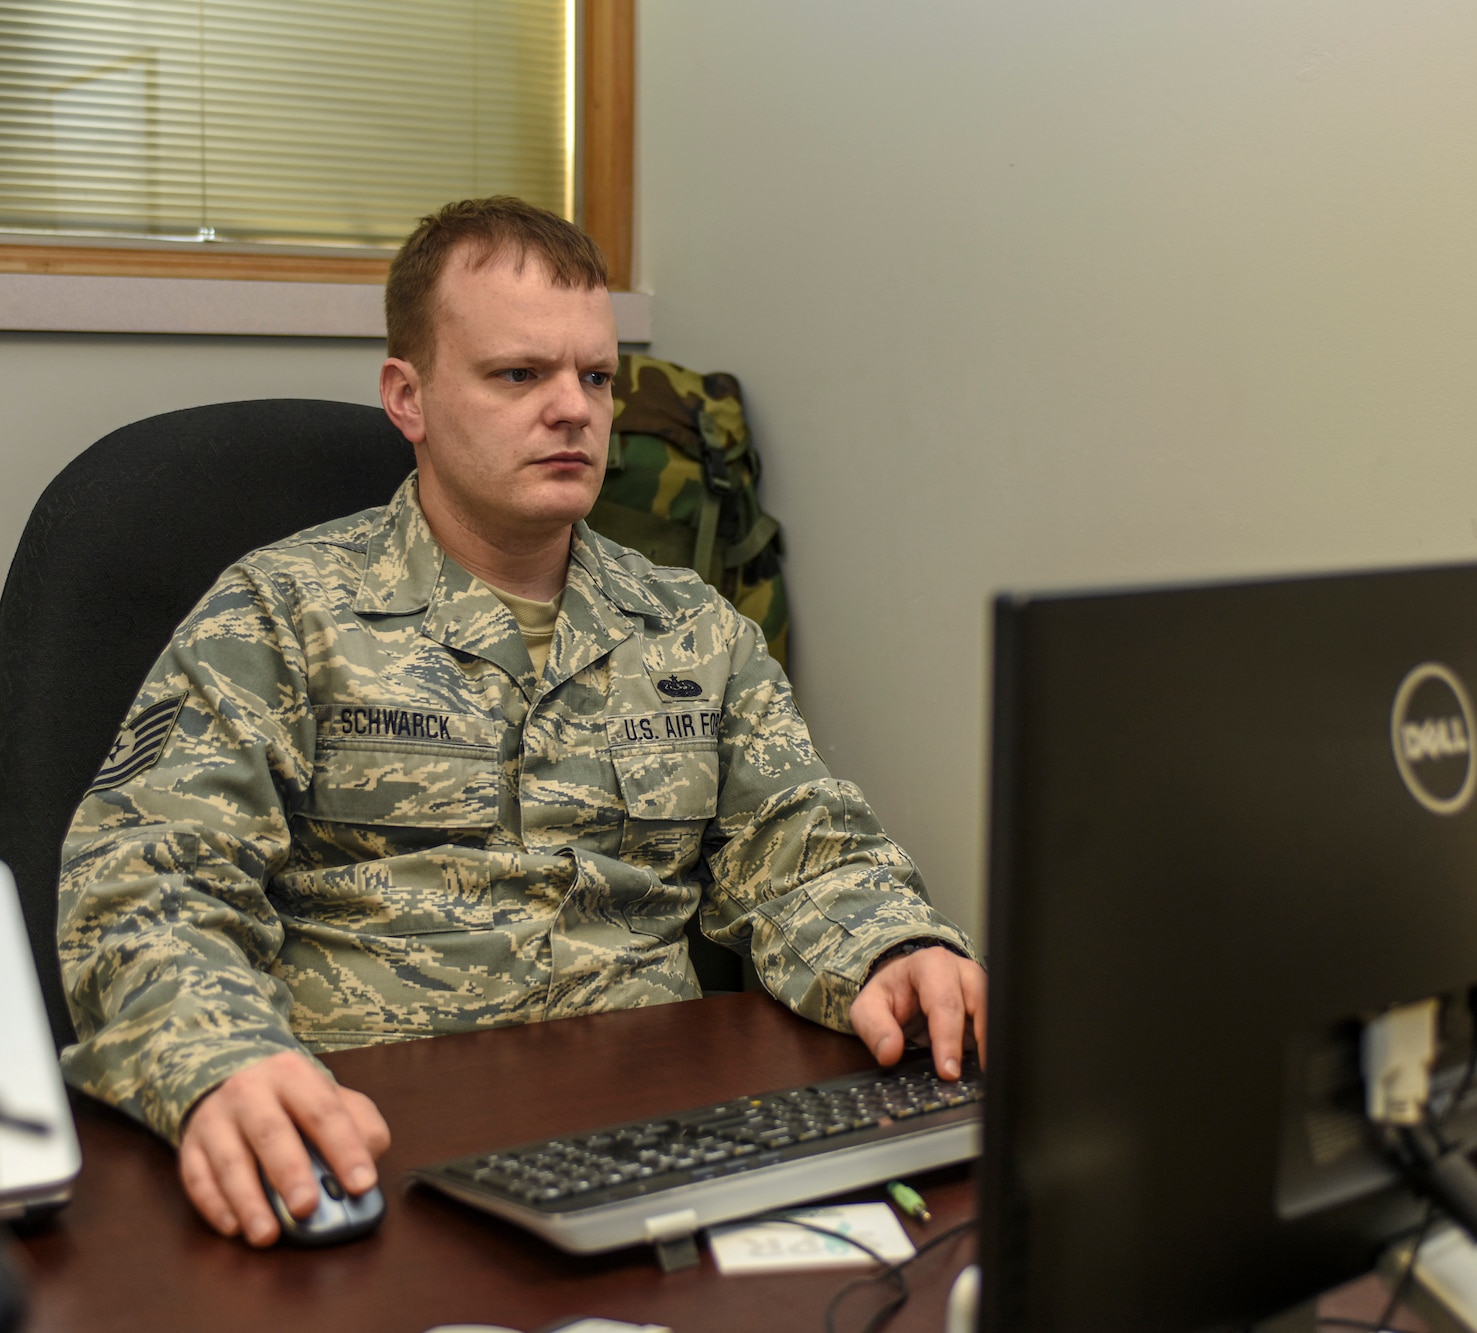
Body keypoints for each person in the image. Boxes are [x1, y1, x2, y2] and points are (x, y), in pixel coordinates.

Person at [56, 197, 985, 1249]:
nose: (574, 410)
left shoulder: (692, 630)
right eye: (519, 375)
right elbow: (146, 881)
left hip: (647, 1145)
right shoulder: (282, 614)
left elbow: (802, 850)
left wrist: (891, 946)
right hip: (365, 1145)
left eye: (595, 378)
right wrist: (218, 1060)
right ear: (406, 396)